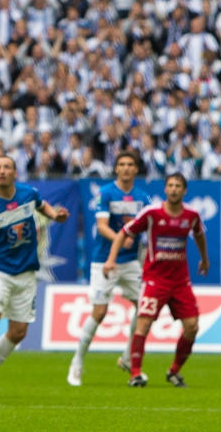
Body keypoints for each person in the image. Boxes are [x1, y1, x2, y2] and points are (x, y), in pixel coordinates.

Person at [0, 156, 69, 395]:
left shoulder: (29, 193)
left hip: (27, 273)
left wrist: (55, 216)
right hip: (0, 272)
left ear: (15, 172)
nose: (2, 171)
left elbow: (42, 205)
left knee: (18, 332)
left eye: (7, 167)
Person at [104, 173, 208, 388]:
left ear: (184, 190)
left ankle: (174, 372)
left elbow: (199, 234)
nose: (174, 189)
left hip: (180, 281)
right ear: (165, 189)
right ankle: (135, 374)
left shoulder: (191, 215)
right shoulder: (151, 213)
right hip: (154, 280)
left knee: (192, 326)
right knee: (143, 325)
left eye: (178, 186)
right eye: (170, 185)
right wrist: (111, 258)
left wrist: (204, 259)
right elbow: (124, 232)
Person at [68, 151, 151, 386]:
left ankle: (127, 358)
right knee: (99, 312)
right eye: (121, 164)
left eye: (130, 164)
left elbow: (148, 232)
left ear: (136, 169)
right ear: (116, 169)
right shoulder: (105, 193)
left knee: (144, 308)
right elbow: (102, 226)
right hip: (105, 260)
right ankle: (77, 363)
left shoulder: (142, 198)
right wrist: (121, 238)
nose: (125, 168)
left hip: (130, 262)